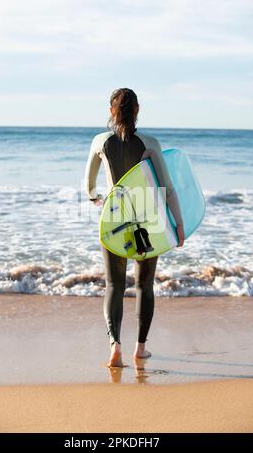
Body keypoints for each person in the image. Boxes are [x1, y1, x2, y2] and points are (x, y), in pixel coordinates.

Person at [84, 88, 184, 368]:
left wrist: (98, 199)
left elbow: (88, 187)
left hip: (114, 220)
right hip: (147, 221)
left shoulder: (99, 141)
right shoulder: (150, 142)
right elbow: (167, 190)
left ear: (110, 111)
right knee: (144, 285)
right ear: (137, 110)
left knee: (114, 284)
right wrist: (179, 225)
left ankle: (115, 345)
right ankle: (140, 349)